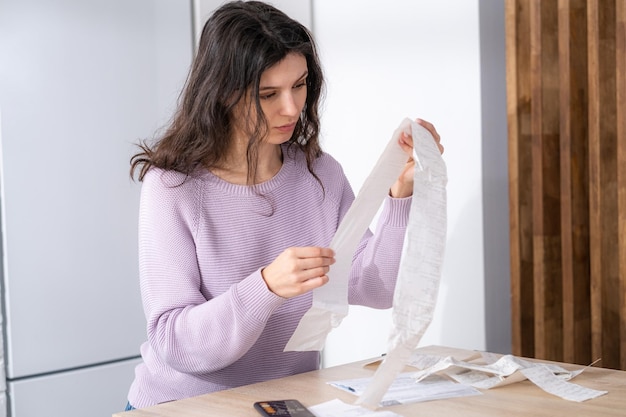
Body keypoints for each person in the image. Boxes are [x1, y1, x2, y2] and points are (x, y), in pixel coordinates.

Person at [124, 0, 443, 410]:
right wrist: (267, 286)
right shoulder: (173, 188)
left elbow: (376, 287)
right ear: (222, 92)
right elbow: (174, 342)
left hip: (282, 405)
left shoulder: (319, 174)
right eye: (268, 93)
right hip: (180, 407)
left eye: (300, 84)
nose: (291, 108)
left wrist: (401, 192)